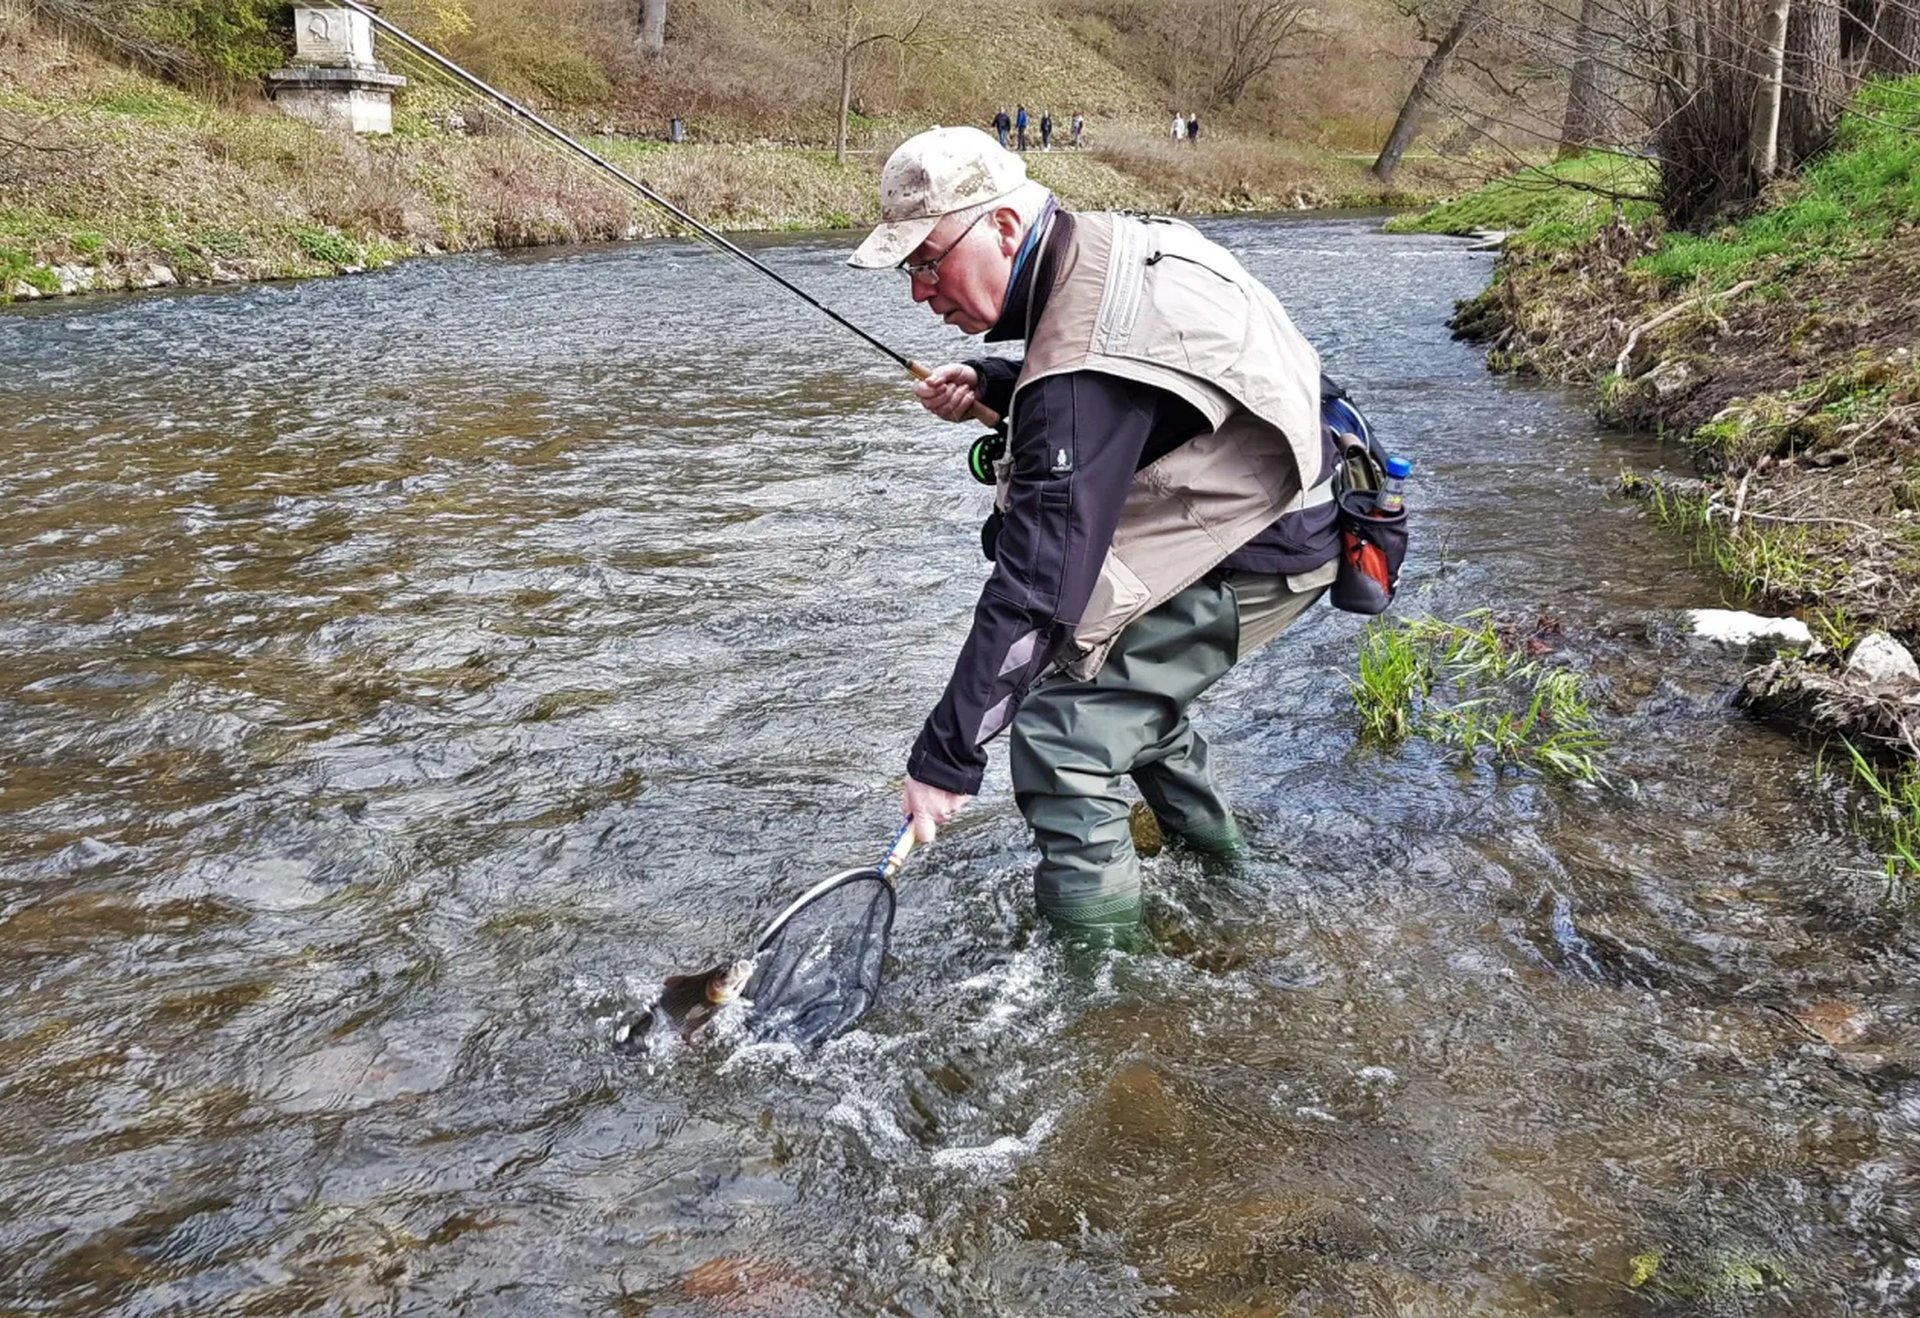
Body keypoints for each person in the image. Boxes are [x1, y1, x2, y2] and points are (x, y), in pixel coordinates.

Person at [845, 127, 1338, 939]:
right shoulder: (1104, 245)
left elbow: (1038, 588)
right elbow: (1152, 387)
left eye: (928, 261)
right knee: (1109, 690)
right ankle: (1230, 876)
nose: (920, 293)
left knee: (1061, 735)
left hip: (1265, 539)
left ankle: (1103, 986)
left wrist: (946, 757)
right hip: (1285, 491)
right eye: (909, 271)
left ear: (1005, 227)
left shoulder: (1077, 375)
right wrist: (1000, 380)